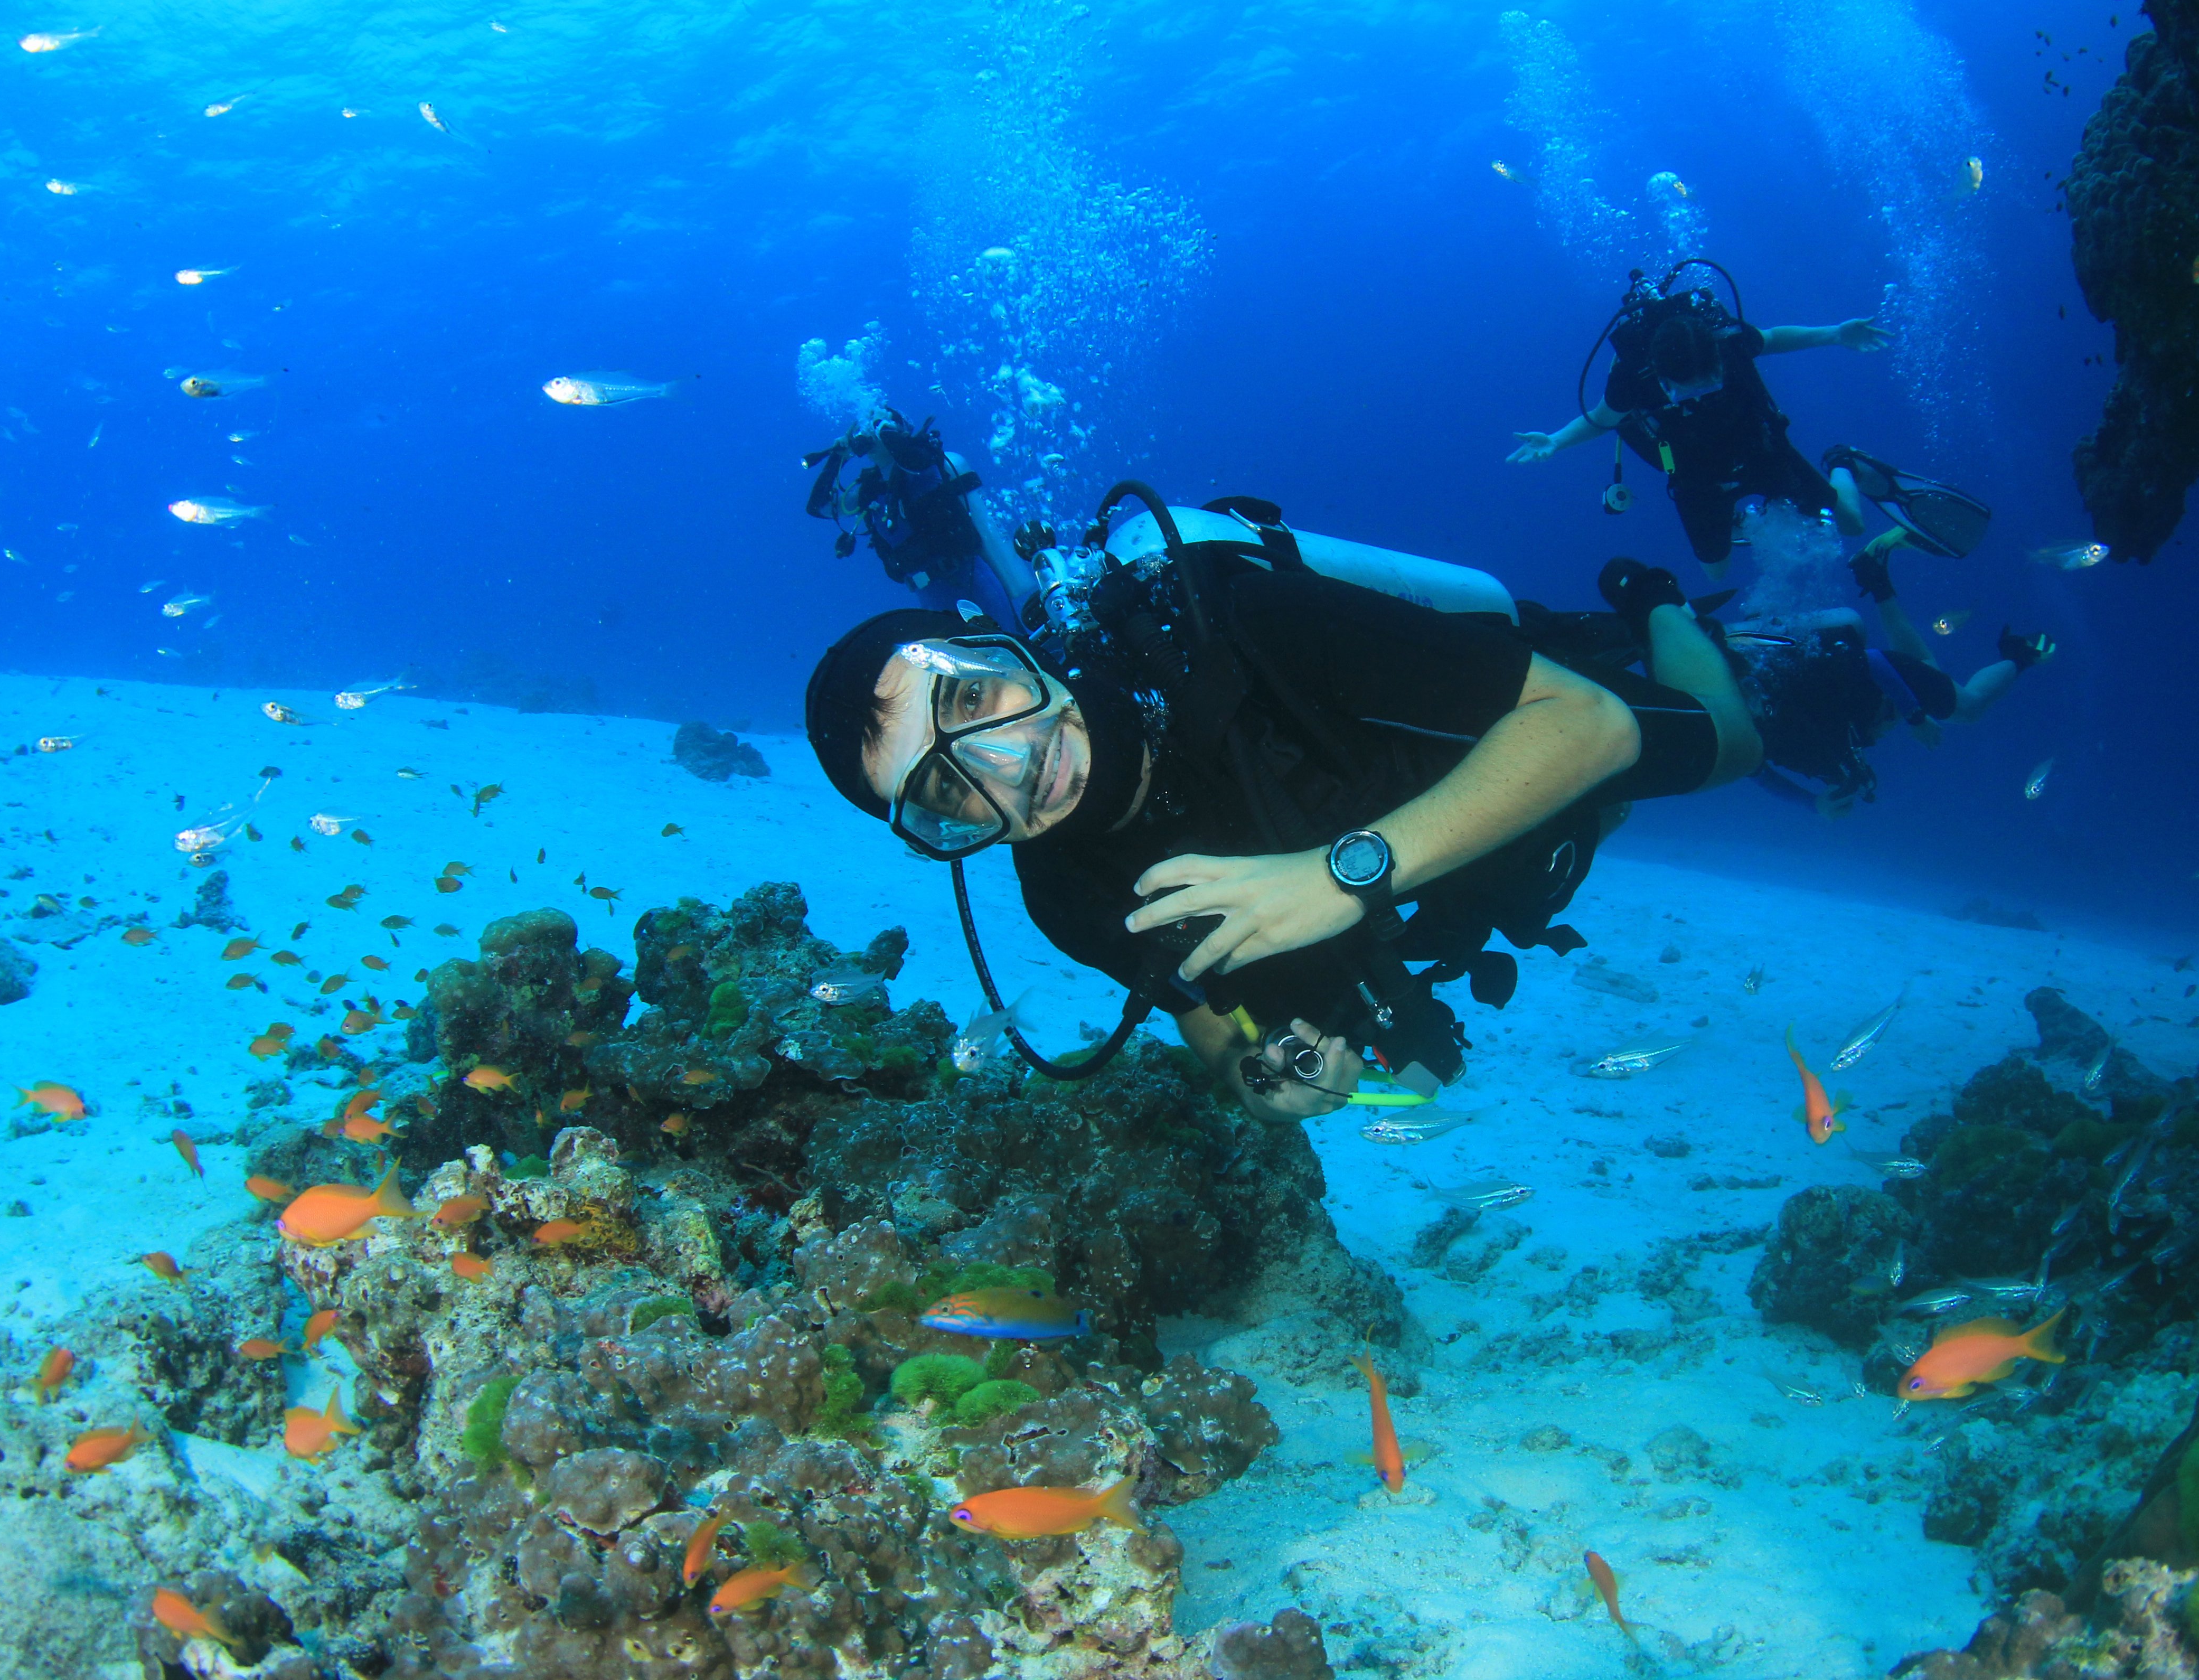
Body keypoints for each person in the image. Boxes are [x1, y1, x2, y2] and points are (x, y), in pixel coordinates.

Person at [802, 491, 1760, 1125]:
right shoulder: (1065, 893)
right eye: (940, 792)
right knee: (1587, 822)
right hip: (1481, 856)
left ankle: (1655, 603)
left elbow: (1588, 726)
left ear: (1003, 647)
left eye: (972, 698)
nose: (1010, 771)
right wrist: (1267, 1086)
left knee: (1727, 742)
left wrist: (1342, 875)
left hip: (1497, 718)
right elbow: (1209, 1023)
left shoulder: (1243, 629)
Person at [1507, 270, 1906, 576]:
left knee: (1851, 525)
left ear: (1718, 358)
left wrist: (1836, 333)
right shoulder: (1634, 376)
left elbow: (1773, 338)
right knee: (1715, 572)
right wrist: (1555, 441)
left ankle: (1842, 462)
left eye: (1709, 383)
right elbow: (1601, 419)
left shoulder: (1729, 341)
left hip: (1758, 445)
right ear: (1661, 378)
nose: (1699, 395)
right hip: (1694, 471)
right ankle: (1737, 518)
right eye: (1685, 390)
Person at [1732, 537, 2054, 816]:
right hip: (1853, 666)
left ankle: (2020, 654)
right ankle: (1876, 579)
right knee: (1925, 666)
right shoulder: (1750, 728)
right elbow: (1758, 773)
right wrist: (1814, 804)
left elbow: (1872, 660)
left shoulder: (1781, 700)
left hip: (1867, 662)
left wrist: (1914, 717)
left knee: (1968, 708)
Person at [804, 407, 1038, 628]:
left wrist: (884, 427)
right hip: (929, 596)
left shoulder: (928, 461)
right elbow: (820, 507)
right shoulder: (870, 489)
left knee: (1007, 652)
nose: (870, 437)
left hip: (971, 582)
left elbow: (913, 461)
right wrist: (838, 457)